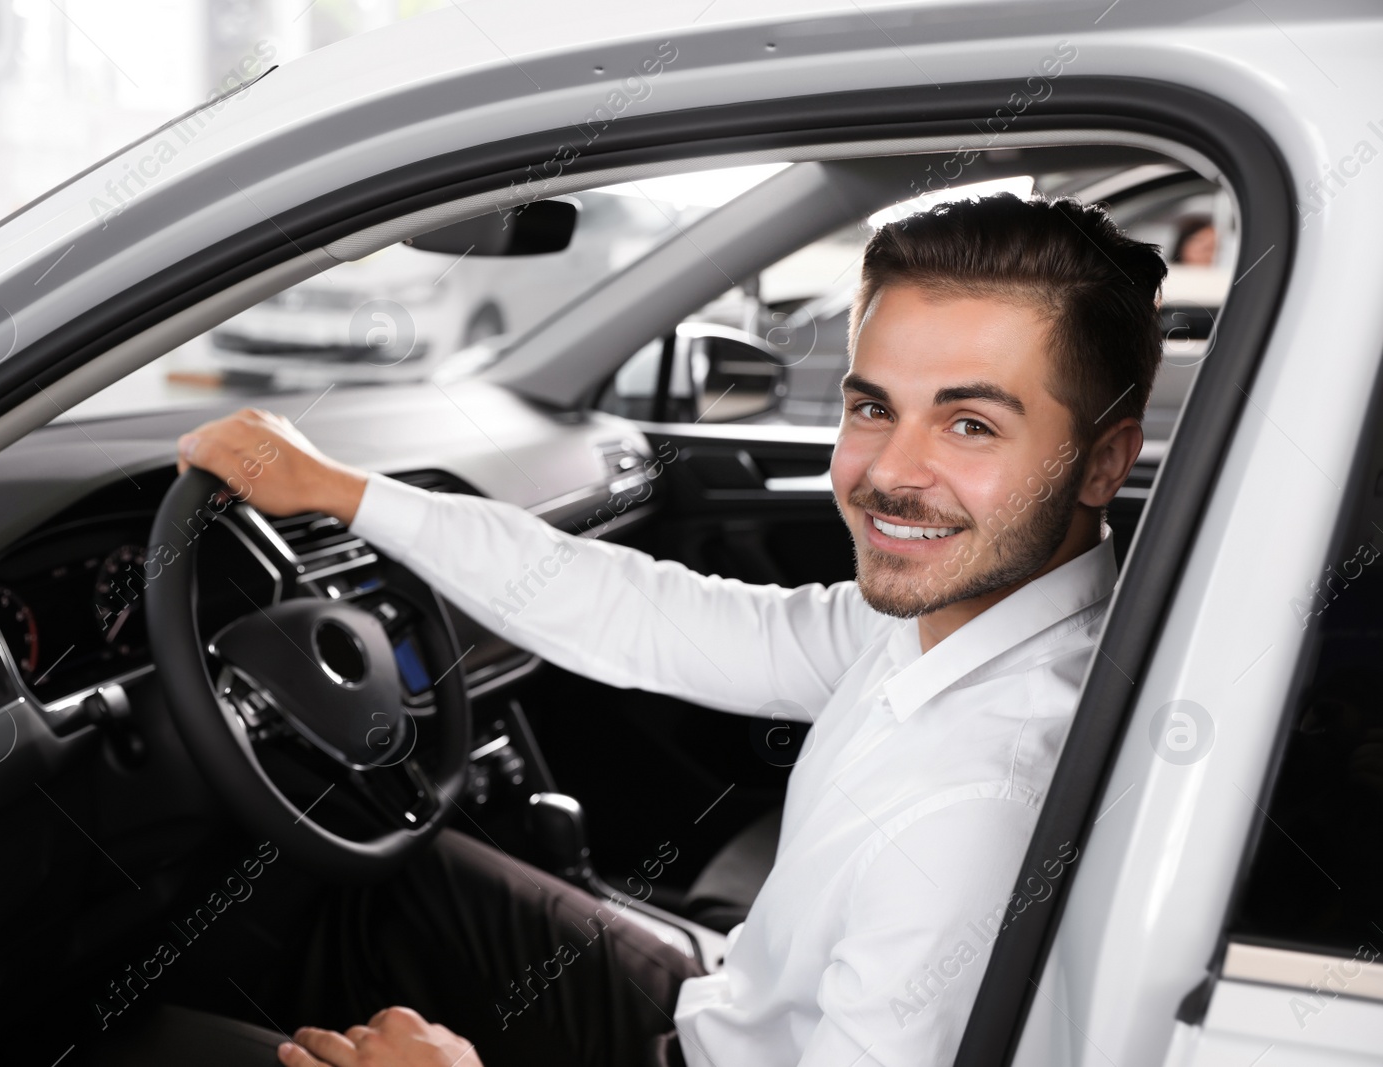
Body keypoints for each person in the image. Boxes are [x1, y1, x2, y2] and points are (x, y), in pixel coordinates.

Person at [172, 192, 1166, 1067]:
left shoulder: (975, 813)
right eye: (872, 406)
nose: (889, 472)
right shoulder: (952, 622)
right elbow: (656, 616)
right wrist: (343, 492)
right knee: (398, 879)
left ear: (1098, 463)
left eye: (970, 424)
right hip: (718, 1010)